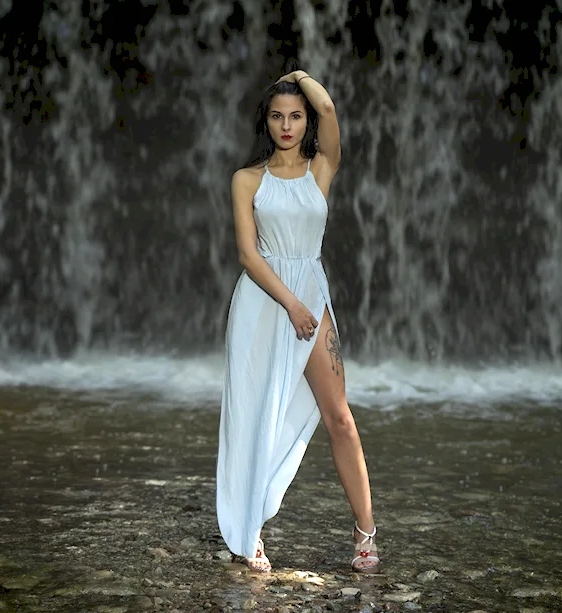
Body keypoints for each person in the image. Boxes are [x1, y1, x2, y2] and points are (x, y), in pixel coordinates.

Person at [216, 67, 380, 574]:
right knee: (256, 417)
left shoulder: (320, 169)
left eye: (295, 116)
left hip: (311, 294)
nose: (287, 125)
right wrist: (290, 304)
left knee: (341, 418)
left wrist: (298, 76)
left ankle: (366, 533)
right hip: (266, 304)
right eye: (277, 116)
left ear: (305, 121)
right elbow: (248, 254)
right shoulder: (246, 180)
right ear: (265, 123)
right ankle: (252, 534)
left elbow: (330, 110)